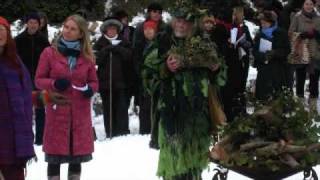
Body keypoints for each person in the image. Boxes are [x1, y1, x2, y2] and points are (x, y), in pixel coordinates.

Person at [143, 8, 223, 179]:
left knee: (195, 162)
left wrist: (216, 70)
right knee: (174, 162)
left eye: (186, 21)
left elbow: (221, 78)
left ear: (194, 24)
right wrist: (166, 68)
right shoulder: (161, 42)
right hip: (171, 112)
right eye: (178, 20)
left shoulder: (206, 44)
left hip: (198, 113)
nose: (181, 25)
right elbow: (146, 75)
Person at [35, 14, 98, 180]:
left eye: (73, 29)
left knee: (76, 154)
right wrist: (54, 83)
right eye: (66, 27)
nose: (67, 31)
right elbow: (38, 80)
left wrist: (89, 89)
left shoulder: (87, 57)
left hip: (80, 113)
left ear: (81, 33)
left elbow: (94, 82)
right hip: (57, 111)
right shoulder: (49, 53)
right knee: (54, 157)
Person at [0, 16, 35, 180]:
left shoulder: (15, 62)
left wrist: (42, 98)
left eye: (2, 30)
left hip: (14, 140)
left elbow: (22, 97)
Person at [93, 17, 134, 137]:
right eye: (109, 29)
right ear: (105, 30)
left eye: (114, 29)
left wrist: (118, 49)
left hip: (122, 82)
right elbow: (96, 60)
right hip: (106, 83)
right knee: (108, 109)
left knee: (121, 108)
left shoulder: (124, 42)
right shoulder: (100, 43)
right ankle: (110, 131)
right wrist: (106, 50)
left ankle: (123, 132)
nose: (112, 31)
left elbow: (129, 56)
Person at [133, 2, 169, 135]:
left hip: (161, 70)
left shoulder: (165, 28)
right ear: (149, 12)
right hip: (143, 71)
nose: (157, 14)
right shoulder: (140, 28)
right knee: (145, 103)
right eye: (154, 11)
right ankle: (145, 131)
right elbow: (136, 50)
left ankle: (160, 130)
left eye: (159, 12)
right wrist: (139, 70)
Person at [15, 12, 50, 145]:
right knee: (25, 111)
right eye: (31, 22)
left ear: (39, 24)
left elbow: (49, 60)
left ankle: (40, 139)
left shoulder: (43, 40)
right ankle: (26, 138)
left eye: (35, 23)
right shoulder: (18, 40)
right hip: (23, 81)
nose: (33, 25)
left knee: (40, 110)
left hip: (39, 80)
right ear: (27, 23)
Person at [220, 6, 253, 122]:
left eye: (239, 15)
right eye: (234, 14)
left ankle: (240, 111)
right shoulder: (226, 27)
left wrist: (245, 43)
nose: (236, 17)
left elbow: (250, 43)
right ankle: (230, 113)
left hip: (242, 60)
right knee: (230, 87)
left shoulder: (245, 28)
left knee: (241, 86)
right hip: (230, 61)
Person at [288, 0, 320, 111]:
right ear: (303, 5)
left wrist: (317, 34)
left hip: (315, 53)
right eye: (307, 4)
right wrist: (302, 35)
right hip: (301, 52)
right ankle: (300, 108)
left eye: (311, 4)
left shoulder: (318, 17)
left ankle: (313, 109)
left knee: (314, 81)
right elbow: (290, 33)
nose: (309, 6)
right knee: (300, 79)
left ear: (314, 5)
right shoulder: (297, 17)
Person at [253, 11, 290, 101]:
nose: (263, 25)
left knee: (276, 97)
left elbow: (287, 50)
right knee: (262, 97)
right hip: (263, 70)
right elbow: (255, 52)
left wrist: (275, 53)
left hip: (277, 71)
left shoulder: (281, 33)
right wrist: (263, 56)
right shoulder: (259, 35)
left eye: (265, 22)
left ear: (272, 22)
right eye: (262, 23)